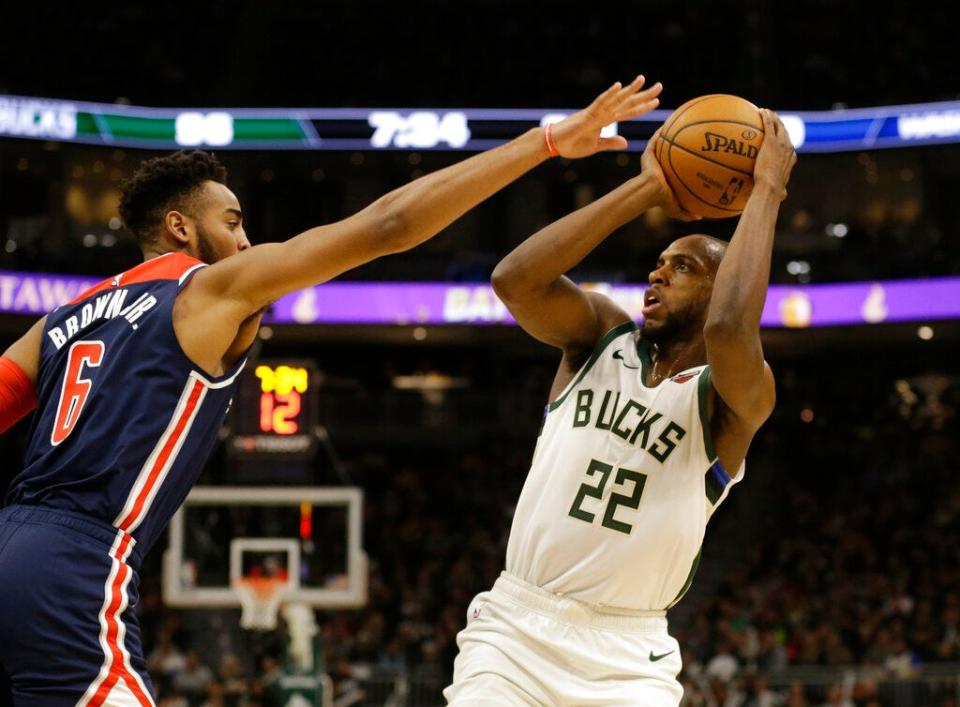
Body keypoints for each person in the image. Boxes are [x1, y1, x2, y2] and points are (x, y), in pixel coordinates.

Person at [0, 76, 663, 706]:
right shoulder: (208, 288)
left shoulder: (61, 317)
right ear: (180, 227)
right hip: (77, 562)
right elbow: (387, 226)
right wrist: (546, 143)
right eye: (232, 223)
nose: (246, 241)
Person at [444, 109, 797, 705]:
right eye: (658, 262)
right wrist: (647, 189)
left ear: (718, 283)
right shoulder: (601, 335)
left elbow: (733, 326)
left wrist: (767, 190)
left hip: (629, 656)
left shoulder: (733, 395)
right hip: (516, 632)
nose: (657, 272)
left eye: (682, 266)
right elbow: (515, 280)